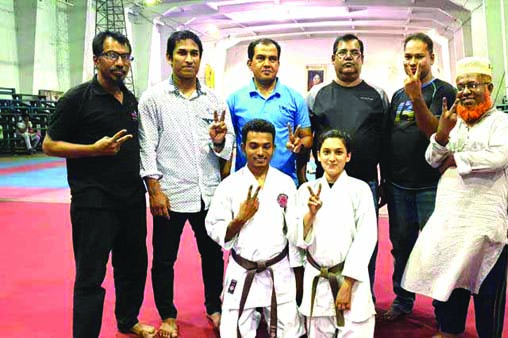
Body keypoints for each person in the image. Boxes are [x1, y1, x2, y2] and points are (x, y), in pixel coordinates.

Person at [42, 30, 155, 338]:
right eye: (112, 56)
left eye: (125, 57)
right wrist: (93, 150)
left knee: (132, 267)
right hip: (94, 203)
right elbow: (49, 145)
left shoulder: (130, 99)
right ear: (96, 60)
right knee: (91, 276)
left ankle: (128, 321)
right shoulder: (77, 98)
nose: (120, 63)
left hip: (131, 200)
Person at [401, 57, 508, 338]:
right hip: (453, 224)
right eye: (461, 86)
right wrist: (441, 135)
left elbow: (500, 156)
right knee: (450, 281)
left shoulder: (504, 123)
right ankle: (449, 330)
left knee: (487, 289)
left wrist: (456, 158)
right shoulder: (455, 123)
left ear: (488, 87)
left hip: (486, 226)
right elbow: (432, 160)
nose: (465, 91)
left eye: (472, 85)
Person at [138, 30, 233, 337]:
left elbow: (228, 144)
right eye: (182, 52)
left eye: (194, 53)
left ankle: (214, 307)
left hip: (208, 194)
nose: (189, 58)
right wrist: (154, 191)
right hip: (171, 194)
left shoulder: (215, 99)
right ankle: (167, 314)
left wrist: (219, 142)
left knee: (213, 255)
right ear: (169, 57)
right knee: (165, 259)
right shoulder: (153, 98)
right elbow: (146, 147)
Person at [306, 33, 389, 295]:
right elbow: (309, 138)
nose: (349, 57)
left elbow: (386, 141)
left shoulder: (377, 95)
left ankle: (364, 295)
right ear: (333, 59)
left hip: (366, 182)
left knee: (365, 243)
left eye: (355, 53)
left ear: (362, 59)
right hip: (325, 185)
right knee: (327, 240)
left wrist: (383, 180)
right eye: (343, 52)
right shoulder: (316, 95)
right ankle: (324, 294)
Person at [206, 119, 304, 338]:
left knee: (291, 332)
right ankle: (251, 318)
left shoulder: (285, 183)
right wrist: (239, 220)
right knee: (231, 333)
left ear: (274, 148)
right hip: (243, 269)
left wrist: (298, 275)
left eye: (266, 146)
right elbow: (213, 227)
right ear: (243, 147)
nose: (260, 152)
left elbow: (295, 234)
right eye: (254, 146)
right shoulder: (229, 185)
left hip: (278, 269)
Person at [382, 32, 457, 321]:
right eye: (408, 56)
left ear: (431, 58)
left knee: (438, 248)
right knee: (401, 246)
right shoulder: (398, 95)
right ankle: (402, 300)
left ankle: (442, 309)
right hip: (400, 187)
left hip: (432, 186)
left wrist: (417, 97)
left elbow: (437, 135)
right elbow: (390, 141)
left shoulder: (445, 92)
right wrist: (386, 181)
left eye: (419, 56)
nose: (413, 62)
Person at [294, 129, 377, 337]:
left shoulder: (360, 190)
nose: (332, 158)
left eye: (339, 152)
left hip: (352, 280)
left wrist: (348, 283)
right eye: (326, 152)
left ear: (348, 156)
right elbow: (298, 240)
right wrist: (310, 215)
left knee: (356, 329)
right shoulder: (305, 191)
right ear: (318, 156)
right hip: (317, 277)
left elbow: (367, 237)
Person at [227, 38, 312, 185]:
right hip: (244, 183)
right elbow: (228, 142)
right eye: (260, 58)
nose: (267, 64)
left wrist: (299, 145)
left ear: (278, 64)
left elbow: (308, 137)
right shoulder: (235, 100)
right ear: (250, 64)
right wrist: (225, 178)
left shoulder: (295, 98)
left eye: (272, 59)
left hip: (285, 183)